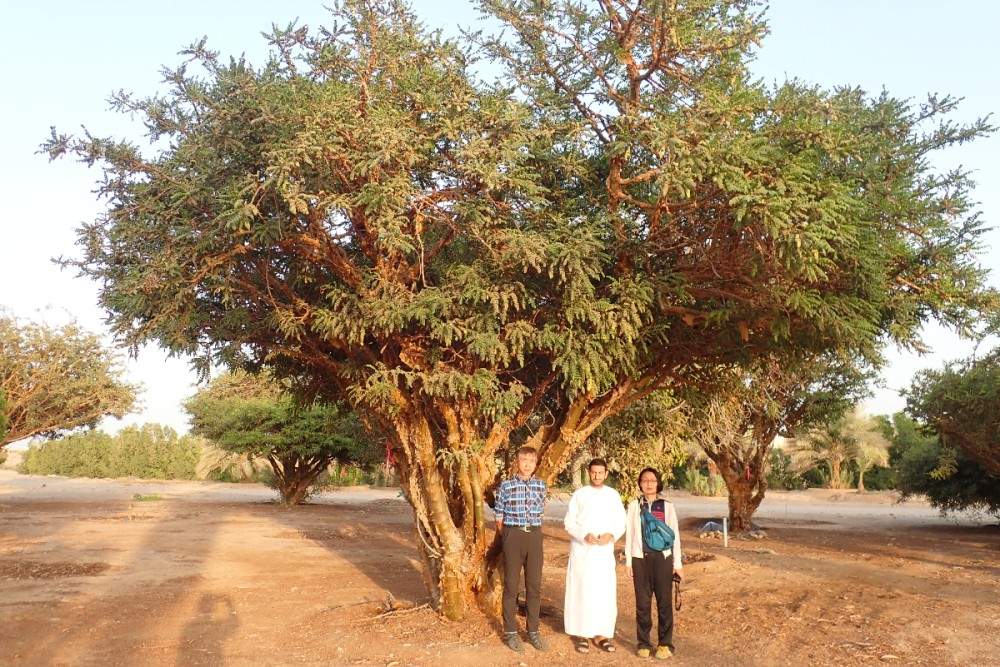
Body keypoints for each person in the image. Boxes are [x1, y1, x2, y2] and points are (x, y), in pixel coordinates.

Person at [563, 458, 627, 654]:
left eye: (601, 472)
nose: (597, 476)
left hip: (603, 552)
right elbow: (569, 522)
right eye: (594, 472)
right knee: (581, 589)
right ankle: (580, 634)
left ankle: (602, 634)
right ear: (589, 473)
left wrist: (611, 534)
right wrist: (584, 535)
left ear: (606, 473)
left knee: (603, 592)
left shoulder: (613, 495)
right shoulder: (579, 494)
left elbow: (621, 522)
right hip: (583, 551)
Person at [494, 446, 549, 652]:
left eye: (531, 460)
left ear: (535, 464)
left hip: (534, 535)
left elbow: (540, 512)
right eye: (523, 459)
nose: (527, 464)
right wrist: (509, 535)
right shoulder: (506, 486)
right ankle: (510, 633)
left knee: (534, 585)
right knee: (511, 585)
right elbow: (499, 516)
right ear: (517, 462)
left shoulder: (541, 486)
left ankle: (533, 632)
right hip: (513, 535)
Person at [625, 467, 684, 660]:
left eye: (652, 480)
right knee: (642, 603)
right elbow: (630, 535)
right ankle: (643, 643)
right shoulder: (634, 505)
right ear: (640, 483)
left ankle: (665, 644)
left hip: (663, 560)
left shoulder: (667, 506)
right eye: (644, 480)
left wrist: (678, 564)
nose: (648, 483)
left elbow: (674, 535)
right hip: (640, 560)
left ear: (658, 482)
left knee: (664, 602)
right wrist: (629, 561)